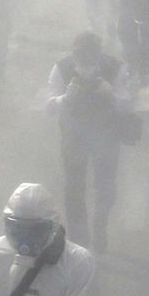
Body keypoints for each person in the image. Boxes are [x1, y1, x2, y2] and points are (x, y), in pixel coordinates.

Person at [43, 31, 135, 253]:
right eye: (80, 58)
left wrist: (110, 94)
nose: (85, 64)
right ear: (74, 55)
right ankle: (79, 239)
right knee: (74, 188)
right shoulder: (61, 68)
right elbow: (49, 106)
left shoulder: (115, 68)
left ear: (98, 55)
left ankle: (100, 226)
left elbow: (126, 103)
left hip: (106, 136)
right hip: (74, 137)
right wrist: (65, 98)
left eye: (90, 58)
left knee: (105, 187)